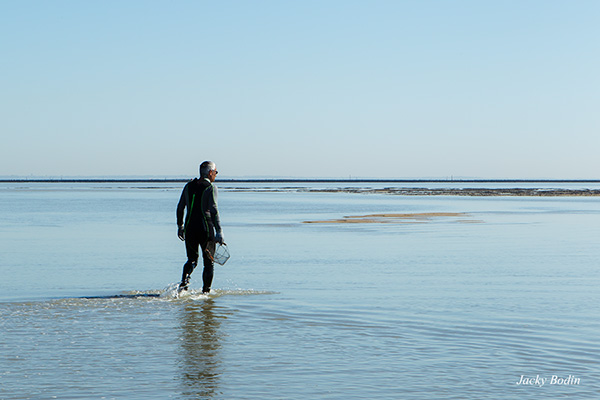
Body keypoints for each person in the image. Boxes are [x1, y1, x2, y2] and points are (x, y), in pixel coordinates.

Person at [176, 161, 224, 294]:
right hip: (206, 228)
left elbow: (180, 207)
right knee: (209, 263)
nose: (216, 175)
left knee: (191, 260)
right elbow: (214, 210)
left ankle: (184, 285)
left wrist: (180, 226)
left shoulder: (188, 186)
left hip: (190, 228)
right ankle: (206, 293)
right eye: (215, 172)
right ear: (210, 173)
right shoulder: (211, 187)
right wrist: (219, 231)